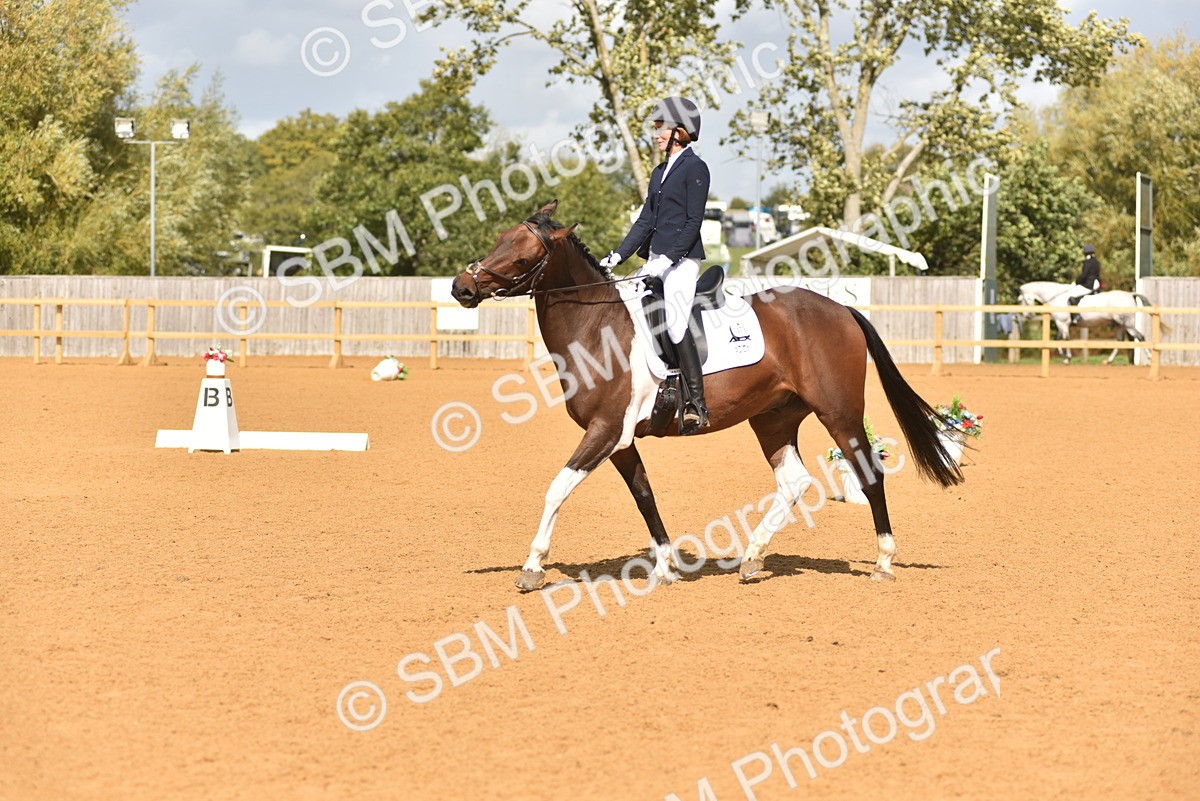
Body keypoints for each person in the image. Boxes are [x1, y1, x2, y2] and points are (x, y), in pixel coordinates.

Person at [599, 97, 711, 434]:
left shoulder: (696, 168)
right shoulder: (659, 172)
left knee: (675, 322)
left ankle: (695, 403)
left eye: (661, 127)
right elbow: (645, 221)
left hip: (683, 261)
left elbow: (693, 222)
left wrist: (668, 259)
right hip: (656, 260)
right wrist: (618, 255)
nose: (656, 134)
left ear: (680, 131)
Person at [1069, 243, 1102, 326]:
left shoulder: (1087, 262)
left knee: (1072, 297)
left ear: (1085, 253)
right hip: (1096, 284)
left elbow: (1084, 275)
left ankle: (1076, 316)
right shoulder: (1097, 262)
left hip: (1088, 285)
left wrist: (1076, 282)